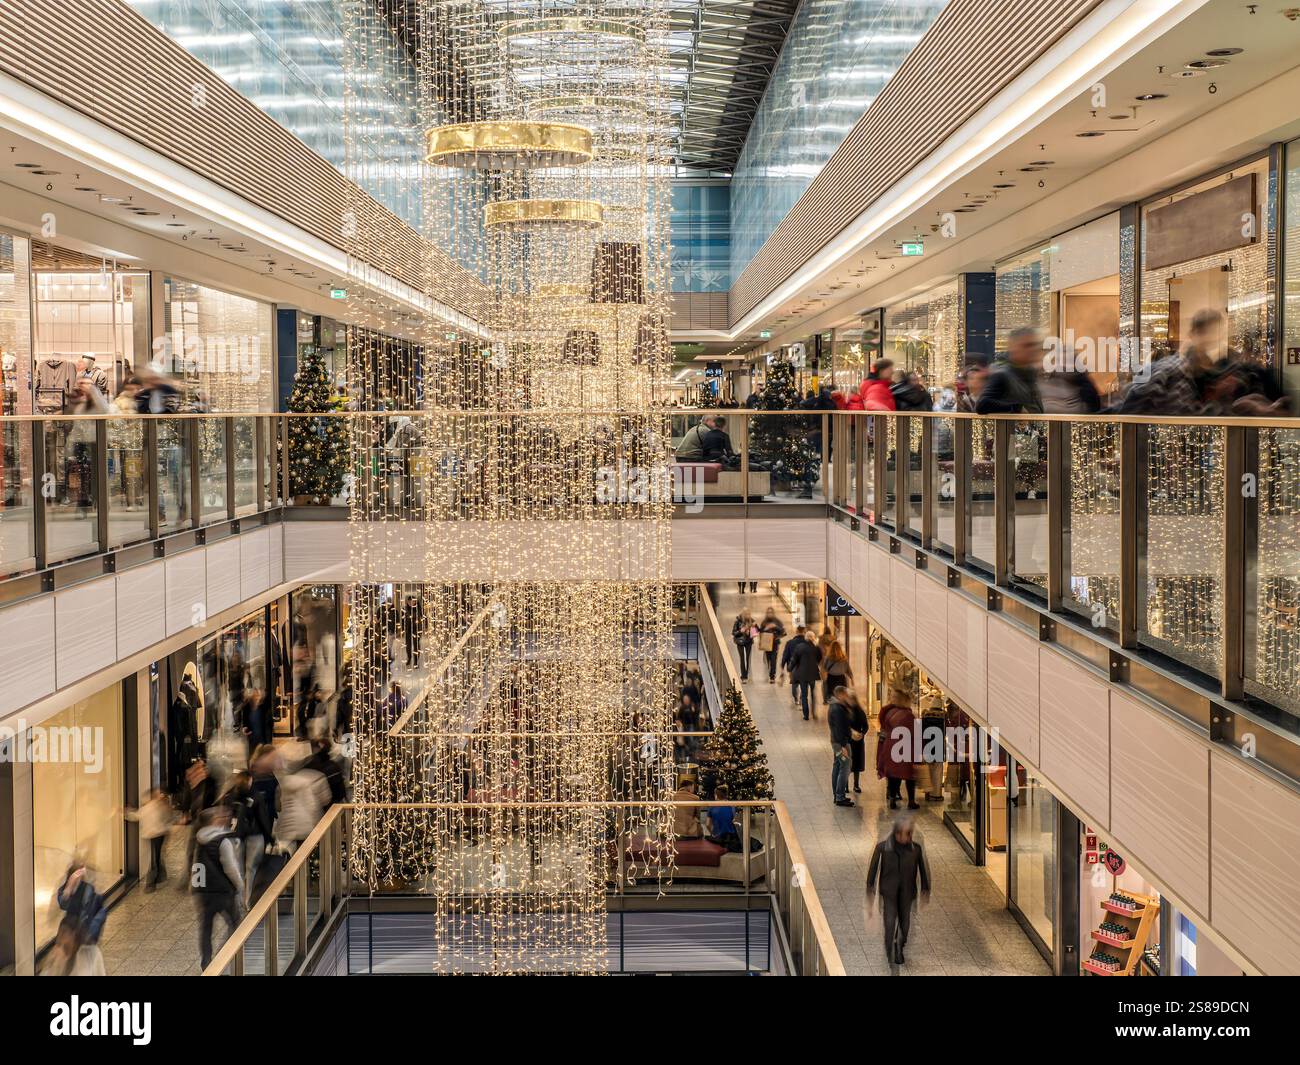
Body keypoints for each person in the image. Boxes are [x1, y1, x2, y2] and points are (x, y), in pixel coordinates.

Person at [866, 813, 932, 966]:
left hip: (907, 893)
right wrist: (870, 889)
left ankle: (899, 945)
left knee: (905, 923)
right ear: (896, 833)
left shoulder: (915, 850)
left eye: (910, 833)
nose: (908, 837)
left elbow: (922, 869)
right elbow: (873, 870)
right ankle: (890, 944)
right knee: (889, 921)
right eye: (906, 833)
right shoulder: (882, 848)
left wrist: (925, 889)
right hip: (889, 892)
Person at [192, 805, 245, 969]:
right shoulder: (223, 841)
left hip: (204, 892)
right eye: (220, 817)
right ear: (214, 821)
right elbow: (230, 867)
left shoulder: (200, 839)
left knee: (206, 927)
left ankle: (206, 962)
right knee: (236, 923)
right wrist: (240, 885)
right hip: (223, 892)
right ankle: (229, 955)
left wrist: (196, 890)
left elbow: (196, 866)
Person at [976, 328, 1045, 414]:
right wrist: (1017, 408)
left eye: (1035, 345)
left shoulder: (1030, 374)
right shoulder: (1001, 375)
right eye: (1027, 345)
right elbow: (982, 405)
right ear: (1013, 347)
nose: (1032, 350)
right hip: (1011, 427)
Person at [877, 688, 920, 810]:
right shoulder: (908, 715)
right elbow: (914, 734)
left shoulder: (888, 712)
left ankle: (892, 799)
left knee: (893, 775)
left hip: (890, 747)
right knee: (909, 776)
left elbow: (884, 730)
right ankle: (911, 801)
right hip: (905, 748)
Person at [127, 789, 174, 892]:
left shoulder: (157, 806)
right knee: (156, 858)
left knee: (154, 858)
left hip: (157, 835)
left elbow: (136, 816)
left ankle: (151, 883)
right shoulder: (153, 807)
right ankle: (160, 876)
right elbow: (136, 816)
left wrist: (126, 812)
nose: (160, 795)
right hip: (156, 835)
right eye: (158, 794)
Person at [55, 861, 108, 949]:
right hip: (72, 932)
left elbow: (98, 910)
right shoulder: (65, 889)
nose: (81, 877)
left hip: (86, 933)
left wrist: (92, 932)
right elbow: (63, 904)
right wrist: (69, 888)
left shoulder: (90, 888)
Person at [781, 624, 823, 720]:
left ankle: (806, 715)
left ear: (806, 637)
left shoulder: (800, 647)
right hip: (813, 674)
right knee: (813, 693)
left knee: (804, 695)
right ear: (813, 638)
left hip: (802, 674)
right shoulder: (816, 648)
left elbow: (794, 660)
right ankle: (814, 712)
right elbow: (819, 659)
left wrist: (789, 668)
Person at [827, 686, 854, 807]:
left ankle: (837, 794)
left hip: (836, 742)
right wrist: (843, 746)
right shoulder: (838, 709)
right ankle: (840, 796)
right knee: (845, 767)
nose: (847, 697)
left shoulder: (835, 706)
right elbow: (839, 728)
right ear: (840, 694)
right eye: (845, 694)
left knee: (838, 766)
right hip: (840, 744)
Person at [844, 687, 870, 794]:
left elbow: (865, 725)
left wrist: (861, 734)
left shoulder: (859, 711)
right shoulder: (844, 711)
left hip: (857, 741)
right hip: (847, 741)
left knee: (856, 765)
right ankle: (845, 785)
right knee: (846, 764)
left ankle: (856, 785)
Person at [820, 639, 853, 710]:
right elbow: (848, 669)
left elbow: (824, 669)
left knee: (832, 698)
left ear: (831, 648)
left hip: (831, 680)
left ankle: (833, 713)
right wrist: (851, 678)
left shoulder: (828, 658)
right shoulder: (843, 658)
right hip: (842, 679)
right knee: (842, 698)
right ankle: (841, 712)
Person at [757, 607, 785, 683]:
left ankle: (772, 676)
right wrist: (766, 629)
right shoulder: (764, 622)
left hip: (775, 643)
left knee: (773, 660)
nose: (770, 614)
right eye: (768, 612)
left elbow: (783, 632)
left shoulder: (777, 622)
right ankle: (770, 673)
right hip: (767, 644)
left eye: (771, 612)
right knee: (768, 660)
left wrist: (775, 627)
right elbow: (761, 632)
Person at [732, 608, 756, 681]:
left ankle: (748, 674)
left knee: (748, 658)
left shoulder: (752, 621)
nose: (747, 616)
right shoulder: (737, 622)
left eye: (748, 614)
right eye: (746, 614)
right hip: (740, 642)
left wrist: (751, 631)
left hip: (748, 642)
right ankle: (743, 676)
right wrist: (740, 631)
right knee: (742, 659)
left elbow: (755, 634)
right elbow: (733, 633)